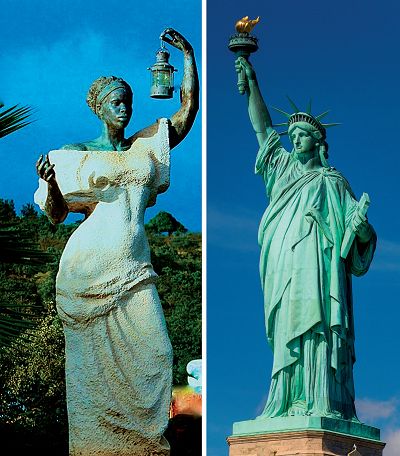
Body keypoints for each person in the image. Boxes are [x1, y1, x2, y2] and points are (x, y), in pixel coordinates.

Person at [35, 28, 199, 456]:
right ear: (98, 108)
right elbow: (54, 215)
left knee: (158, 354)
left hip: (134, 269)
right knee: (92, 372)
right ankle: (94, 446)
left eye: (127, 100)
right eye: (115, 101)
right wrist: (52, 186)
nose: (124, 108)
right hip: (87, 271)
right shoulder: (75, 153)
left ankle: (143, 444)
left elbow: (187, 109)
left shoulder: (146, 146)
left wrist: (187, 55)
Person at [235, 57, 376, 420]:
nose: (295, 140)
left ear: (317, 143)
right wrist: (252, 83)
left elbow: (356, 235)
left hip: (321, 264)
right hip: (284, 264)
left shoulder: (334, 182)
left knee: (319, 328)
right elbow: (263, 129)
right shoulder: (281, 170)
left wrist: (359, 228)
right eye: (292, 136)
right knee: (288, 328)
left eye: (302, 136)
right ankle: (286, 400)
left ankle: (320, 401)